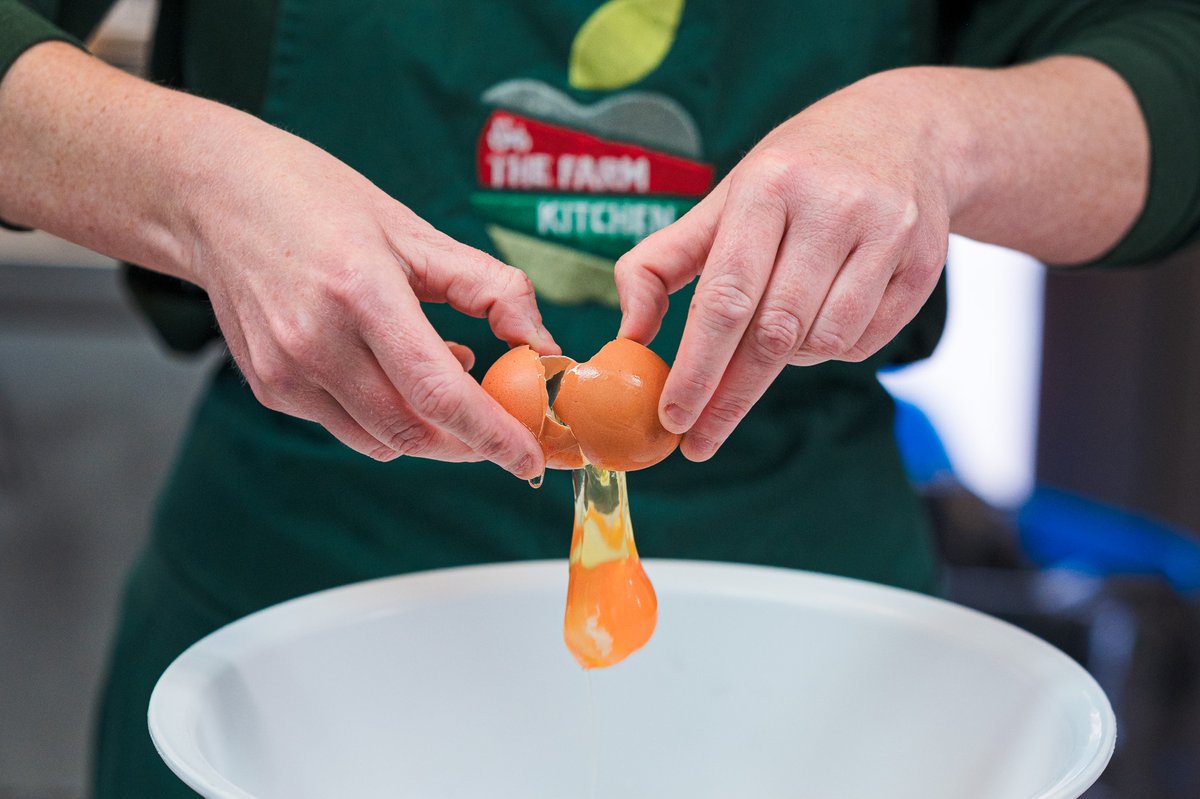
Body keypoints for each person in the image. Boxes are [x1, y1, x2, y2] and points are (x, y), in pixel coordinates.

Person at [2, 0, 1198, 794]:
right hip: (302, 612)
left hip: (813, 657)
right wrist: (190, 178)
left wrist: (945, 136)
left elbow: (1171, 67)